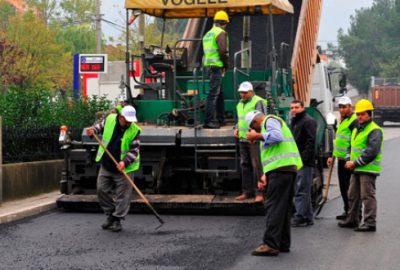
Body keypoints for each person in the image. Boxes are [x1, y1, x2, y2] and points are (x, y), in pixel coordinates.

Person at [245, 111, 302, 256]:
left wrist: (257, 136)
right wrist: (265, 175)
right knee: (283, 208)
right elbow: (274, 154)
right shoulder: (272, 122)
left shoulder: (269, 121)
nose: (256, 130)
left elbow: (277, 137)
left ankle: (270, 244)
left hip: (281, 171)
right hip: (285, 170)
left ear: (255, 122)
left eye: (254, 127)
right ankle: (283, 242)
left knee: (273, 207)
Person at [86, 105, 141, 232]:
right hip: (107, 165)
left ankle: (117, 219)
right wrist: (92, 131)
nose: (129, 123)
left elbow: (134, 151)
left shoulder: (134, 130)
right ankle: (110, 215)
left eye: (131, 121)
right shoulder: (110, 119)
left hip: (124, 169)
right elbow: (97, 128)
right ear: (121, 117)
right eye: (127, 120)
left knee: (123, 196)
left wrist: (124, 162)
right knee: (101, 190)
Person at [338, 99, 383, 232]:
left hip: (367, 169)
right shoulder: (357, 129)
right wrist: (348, 159)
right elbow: (351, 147)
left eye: (363, 114)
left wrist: (355, 162)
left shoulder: (375, 130)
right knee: (352, 194)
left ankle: (370, 223)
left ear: (370, 114)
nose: (360, 117)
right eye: (358, 114)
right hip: (356, 168)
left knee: (367, 196)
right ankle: (352, 220)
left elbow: (371, 152)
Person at [234, 82, 267, 202]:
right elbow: (241, 119)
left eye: (245, 92)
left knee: (257, 166)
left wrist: (255, 135)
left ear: (251, 92)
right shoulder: (240, 103)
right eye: (241, 92)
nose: (242, 94)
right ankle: (247, 192)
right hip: (243, 138)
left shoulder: (258, 101)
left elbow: (261, 119)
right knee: (245, 165)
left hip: (254, 139)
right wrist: (236, 127)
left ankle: (260, 192)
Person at [327, 96, 357, 220]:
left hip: (347, 161)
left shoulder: (354, 121)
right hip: (340, 160)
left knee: (350, 190)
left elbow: (354, 142)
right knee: (343, 188)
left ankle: (353, 213)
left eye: (344, 107)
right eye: (340, 107)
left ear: (350, 107)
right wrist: (332, 156)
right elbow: (339, 142)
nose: (341, 109)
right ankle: (347, 210)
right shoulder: (343, 121)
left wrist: (349, 158)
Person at [290, 100, 317, 227]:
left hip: (304, 162)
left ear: (302, 107)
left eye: (296, 107)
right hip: (298, 160)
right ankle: (308, 216)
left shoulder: (308, 121)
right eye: (292, 108)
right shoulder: (295, 121)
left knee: (301, 189)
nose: (294, 110)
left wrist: (303, 159)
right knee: (302, 189)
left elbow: (311, 142)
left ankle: (300, 216)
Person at [202, 10, 230, 129]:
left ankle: (220, 118)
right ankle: (209, 121)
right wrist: (225, 65)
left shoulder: (208, 34)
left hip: (208, 66)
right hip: (216, 66)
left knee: (219, 93)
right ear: (224, 23)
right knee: (213, 94)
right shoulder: (221, 33)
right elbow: (223, 51)